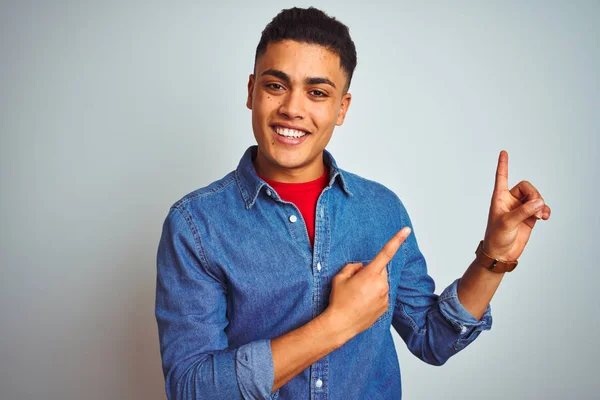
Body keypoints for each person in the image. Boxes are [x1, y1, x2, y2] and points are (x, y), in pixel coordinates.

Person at [155, 7, 551, 400]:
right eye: (276, 86)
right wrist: (338, 324)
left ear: (341, 108)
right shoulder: (196, 225)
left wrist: (493, 258)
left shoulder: (381, 210)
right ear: (251, 91)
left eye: (317, 93)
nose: (293, 108)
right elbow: (192, 389)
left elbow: (432, 340)